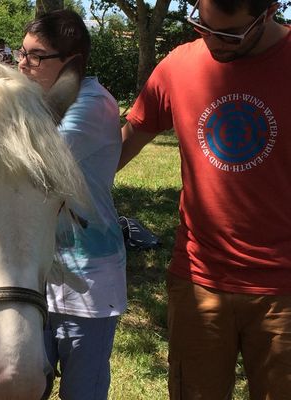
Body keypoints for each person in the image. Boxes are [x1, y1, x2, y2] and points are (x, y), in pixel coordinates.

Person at [119, 0, 291, 398]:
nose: (211, 40)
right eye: (201, 25)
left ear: (268, 12)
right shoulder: (178, 66)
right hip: (199, 282)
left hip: (283, 290)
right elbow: (121, 146)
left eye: (228, 34)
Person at [15, 10, 127, 399]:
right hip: (39, 276)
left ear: (72, 63)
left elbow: (33, 161)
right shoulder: (34, 101)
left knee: (82, 391)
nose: (22, 63)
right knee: (26, 385)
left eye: (36, 56)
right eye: (21, 52)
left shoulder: (93, 105)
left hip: (87, 284)